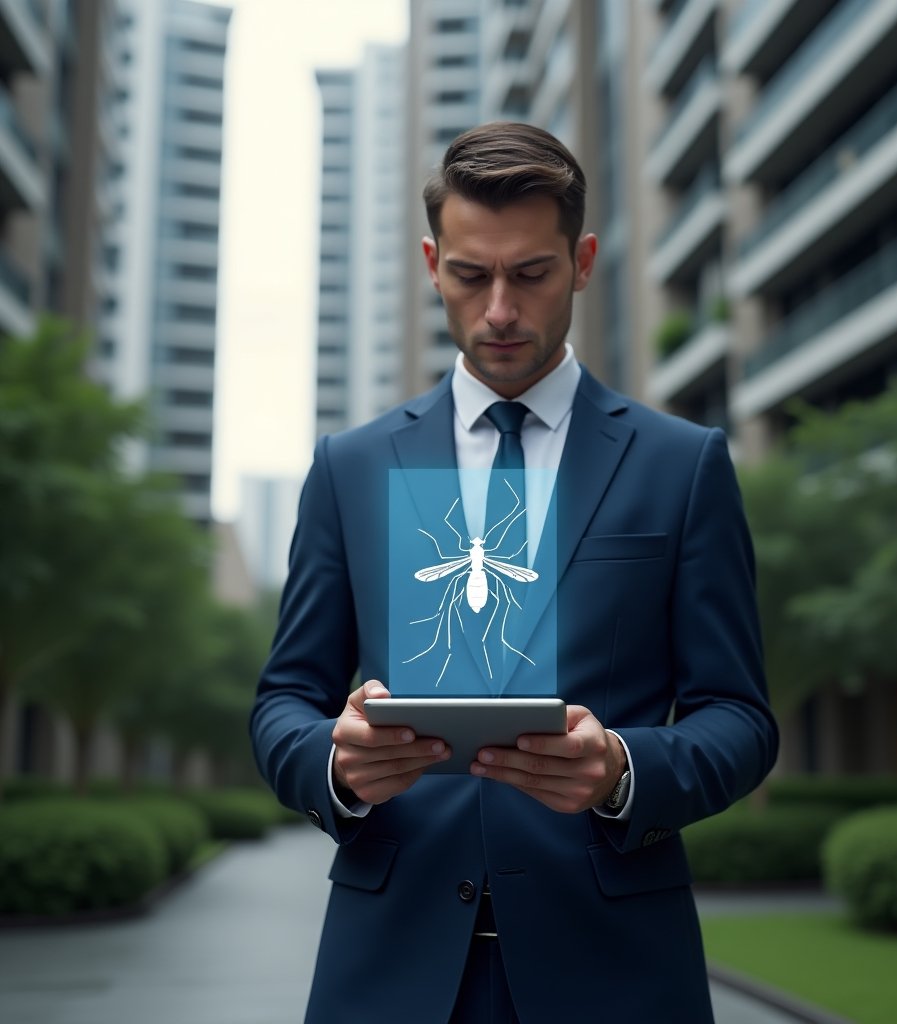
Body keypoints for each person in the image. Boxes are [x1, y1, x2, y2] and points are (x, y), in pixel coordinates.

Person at [251, 122, 777, 1024]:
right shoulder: (352, 467)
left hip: (614, 974)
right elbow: (282, 701)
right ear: (431, 263)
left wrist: (621, 768)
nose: (499, 309)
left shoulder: (681, 465)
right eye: (470, 274)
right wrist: (336, 766)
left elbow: (740, 717)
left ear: (581, 261)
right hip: (391, 971)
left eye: (530, 274)